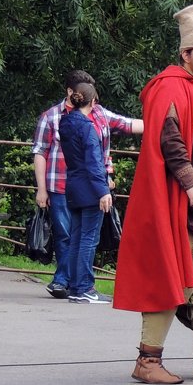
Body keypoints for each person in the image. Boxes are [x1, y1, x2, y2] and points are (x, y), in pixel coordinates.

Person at [114, 4, 193, 384]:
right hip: (183, 204)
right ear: (186, 55)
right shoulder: (171, 87)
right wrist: (192, 183)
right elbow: (169, 141)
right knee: (175, 282)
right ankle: (147, 360)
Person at [32, 70, 143, 299]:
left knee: (76, 236)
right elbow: (46, 153)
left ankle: (68, 283)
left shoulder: (82, 118)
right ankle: (76, 284)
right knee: (75, 237)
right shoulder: (56, 117)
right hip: (69, 185)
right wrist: (42, 189)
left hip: (78, 183)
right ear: (73, 93)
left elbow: (126, 125)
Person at [57, 83, 114, 304]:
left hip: (73, 186)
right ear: (93, 102)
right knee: (89, 240)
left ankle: (74, 287)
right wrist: (103, 191)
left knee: (76, 239)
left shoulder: (66, 122)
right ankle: (85, 288)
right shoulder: (88, 127)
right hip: (91, 189)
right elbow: (93, 162)